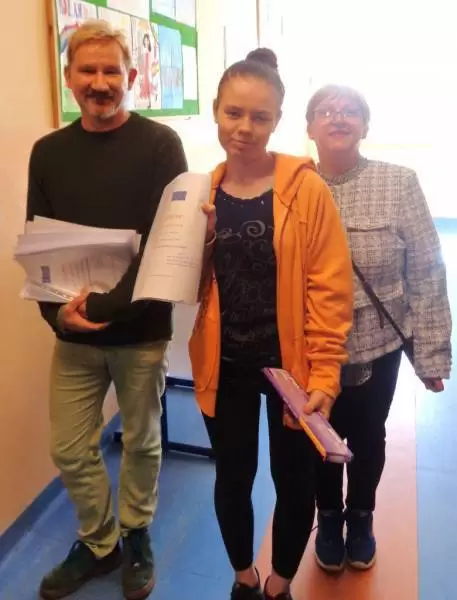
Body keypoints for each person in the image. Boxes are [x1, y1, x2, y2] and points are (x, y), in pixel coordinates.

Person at [26, 20, 187, 600]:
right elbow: (38, 245)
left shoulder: (160, 145)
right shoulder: (48, 152)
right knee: (70, 448)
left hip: (140, 329)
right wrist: (57, 317)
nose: (100, 82)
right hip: (73, 333)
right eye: (87, 70)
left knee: (141, 440)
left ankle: (136, 532)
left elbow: (168, 245)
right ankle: (100, 543)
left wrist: (103, 307)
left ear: (132, 76)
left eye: (111, 71)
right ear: (69, 77)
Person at [190, 49, 354, 600]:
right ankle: (244, 579)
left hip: (293, 369)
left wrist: (325, 373)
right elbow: (187, 286)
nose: (244, 127)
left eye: (259, 117)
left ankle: (279, 586)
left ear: (277, 121)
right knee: (232, 478)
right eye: (233, 113)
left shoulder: (305, 190)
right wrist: (198, 247)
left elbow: (330, 289)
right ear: (216, 112)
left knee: (295, 481)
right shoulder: (201, 193)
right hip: (224, 364)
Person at [306, 84, 452, 572]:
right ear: (310, 127)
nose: (338, 118)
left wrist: (432, 355)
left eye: (350, 111)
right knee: (319, 440)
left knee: (368, 438)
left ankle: (361, 516)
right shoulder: (294, 185)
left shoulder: (399, 182)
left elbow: (427, 270)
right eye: (326, 111)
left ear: (365, 126)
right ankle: (328, 517)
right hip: (310, 347)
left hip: (378, 345)